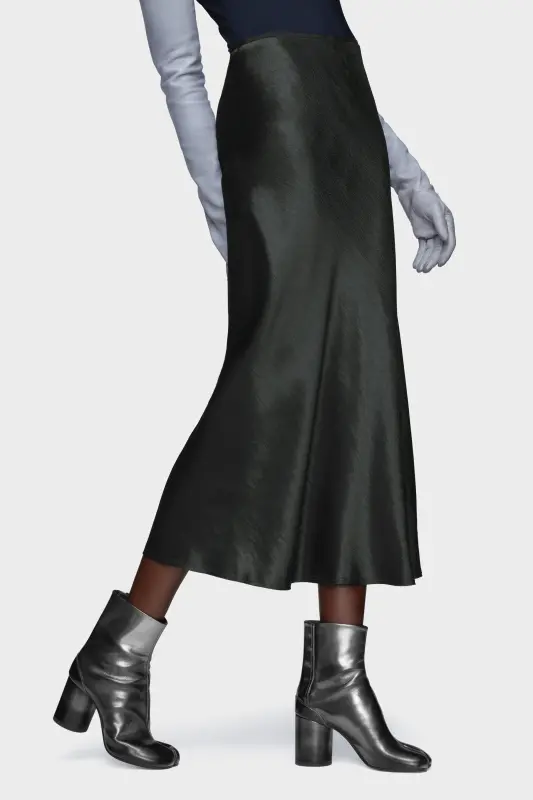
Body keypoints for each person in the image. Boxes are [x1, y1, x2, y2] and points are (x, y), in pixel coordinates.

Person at [53, 0, 456, 772]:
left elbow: (330, 47)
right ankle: (119, 652)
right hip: (276, 138)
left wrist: (409, 178)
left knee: (360, 382)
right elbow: (180, 70)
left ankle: (337, 680)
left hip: (346, 130)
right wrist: (223, 203)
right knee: (261, 391)